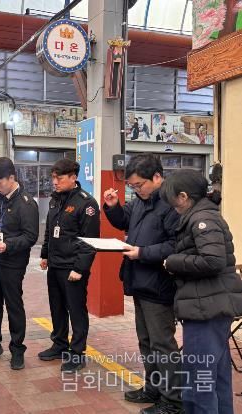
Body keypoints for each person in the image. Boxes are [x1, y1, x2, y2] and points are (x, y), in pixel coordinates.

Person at [103, 154, 183, 414]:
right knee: (146, 341)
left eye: (139, 185)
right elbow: (124, 220)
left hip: (159, 284)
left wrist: (142, 252)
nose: (136, 190)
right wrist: (113, 207)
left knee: (162, 344)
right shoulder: (141, 201)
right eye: (132, 186)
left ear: (157, 177)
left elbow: (176, 245)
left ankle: (173, 402)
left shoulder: (172, 205)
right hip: (139, 280)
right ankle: (153, 388)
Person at [161, 170, 242, 414]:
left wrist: (173, 261)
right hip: (210, 304)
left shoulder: (201, 219)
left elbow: (213, 261)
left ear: (183, 197)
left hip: (205, 308)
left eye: (172, 200)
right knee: (216, 375)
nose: (172, 207)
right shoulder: (204, 215)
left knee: (199, 378)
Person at [0, 157, 39, 370]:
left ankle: (17, 348)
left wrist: (9, 245)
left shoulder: (26, 204)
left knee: (13, 305)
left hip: (13, 262)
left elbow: (30, 236)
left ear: (11, 178)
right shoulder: (0, 198)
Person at [38, 159, 100, 372]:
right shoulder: (55, 200)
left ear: (73, 177)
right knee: (57, 307)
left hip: (73, 267)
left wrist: (80, 269)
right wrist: (45, 254)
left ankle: (77, 352)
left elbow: (90, 241)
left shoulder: (86, 203)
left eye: (60, 178)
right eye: (53, 178)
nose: (55, 182)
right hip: (55, 264)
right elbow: (50, 229)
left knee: (76, 310)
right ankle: (59, 344)